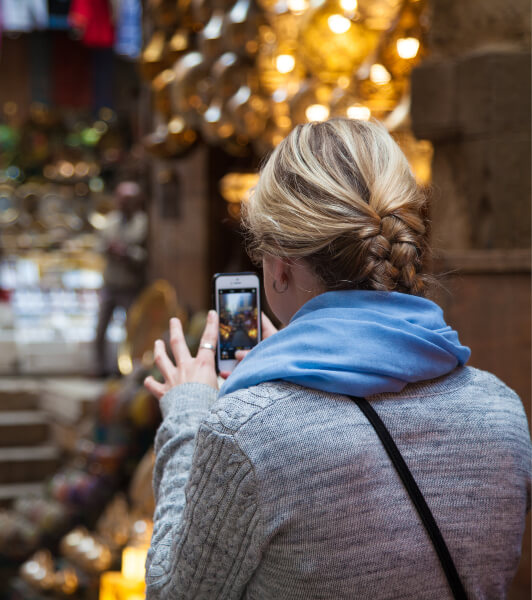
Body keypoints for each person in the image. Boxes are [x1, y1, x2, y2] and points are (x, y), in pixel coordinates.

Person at [142, 119, 531, 599]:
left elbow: (172, 592)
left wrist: (188, 414)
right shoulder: (502, 410)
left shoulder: (247, 431)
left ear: (279, 268)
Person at [94, 180, 148, 376]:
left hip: (130, 285)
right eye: (121, 199)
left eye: (129, 200)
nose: (124, 203)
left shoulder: (144, 223)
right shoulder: (109, 221)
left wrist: (127, 253)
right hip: (110, 284)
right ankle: (101, 368)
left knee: (131, 331)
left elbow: (147, 256)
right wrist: (109, 249)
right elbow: (98, 247)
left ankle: (129, 371)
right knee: (101, 330)